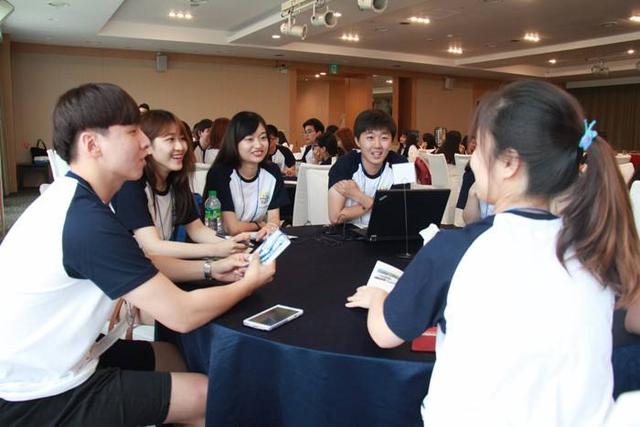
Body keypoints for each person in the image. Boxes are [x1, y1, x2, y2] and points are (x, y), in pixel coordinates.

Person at [345, 80, 640, 426]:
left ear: (509, 162)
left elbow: (384, 334)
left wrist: (379, 297)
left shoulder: (457, 249)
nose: (472, 159)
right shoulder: (597, 242)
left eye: (479, 148)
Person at [0, 83, 276, 427]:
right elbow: (182, 314)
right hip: (34, 392)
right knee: (209, 398)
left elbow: (145, 264)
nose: (145, 143)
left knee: (172, 355)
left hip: (60, 355)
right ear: (92, 145)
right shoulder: (86, 221)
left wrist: (211, 270)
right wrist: (249, 283)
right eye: (132, 132)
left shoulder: (81, 201)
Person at [111, 109, 250, 259]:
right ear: (147, 145)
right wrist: (216, 250)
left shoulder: (175, 181)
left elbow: (197, 230)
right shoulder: (131, 184)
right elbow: (152, 246)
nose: (181, 147)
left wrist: (234, 243)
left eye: (182, 138)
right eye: (170, 139)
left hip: (160, 266)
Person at [204, 111, 289, 236]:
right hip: (223, 242)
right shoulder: (220, 174)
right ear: (234, 142)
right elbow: (232, 228)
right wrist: (259, 225)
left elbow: (273, 220)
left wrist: (268, 228)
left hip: (258, 239)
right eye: (249, 139)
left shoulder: (272, 171)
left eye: (263, 138)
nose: (258, 145)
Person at [328, 109, 407, 227]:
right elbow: (335, 217)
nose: (377, 145)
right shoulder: (344, 165)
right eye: (370, 137)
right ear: (357, 141)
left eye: (384, 138)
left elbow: (399, 213)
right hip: (349, 234)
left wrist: (359, 196)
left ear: (391, 141)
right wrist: (375, 205)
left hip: (387, 233)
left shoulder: (402, 165)